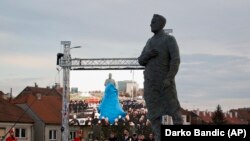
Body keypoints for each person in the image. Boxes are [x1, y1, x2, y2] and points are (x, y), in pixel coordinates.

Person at [138, 14, 183, 141]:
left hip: (165, 83)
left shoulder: (169, 40)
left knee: (174, 111)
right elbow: (141, 60)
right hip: (151, 84)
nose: (150, 24)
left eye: (153, 22)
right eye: (151, 22)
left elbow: (176, 60)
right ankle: (159, 137)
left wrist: (169, 78)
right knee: (153, 115)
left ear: (161, 24)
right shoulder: (149, 42)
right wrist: (148, 54)